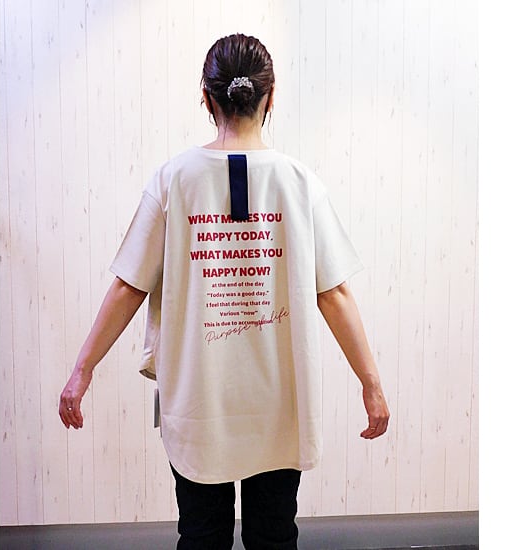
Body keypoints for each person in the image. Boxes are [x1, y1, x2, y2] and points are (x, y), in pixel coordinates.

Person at [59, 33, 390, 550]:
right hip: (280, 402)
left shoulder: (174, 180)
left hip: (198, 401)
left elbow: (128, 286)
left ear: (206, 97)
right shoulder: (300, 183)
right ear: (270, 97)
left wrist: (83, 371)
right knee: (273, 537)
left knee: (201, 536)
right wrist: (371, 384)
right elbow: (335, 294)